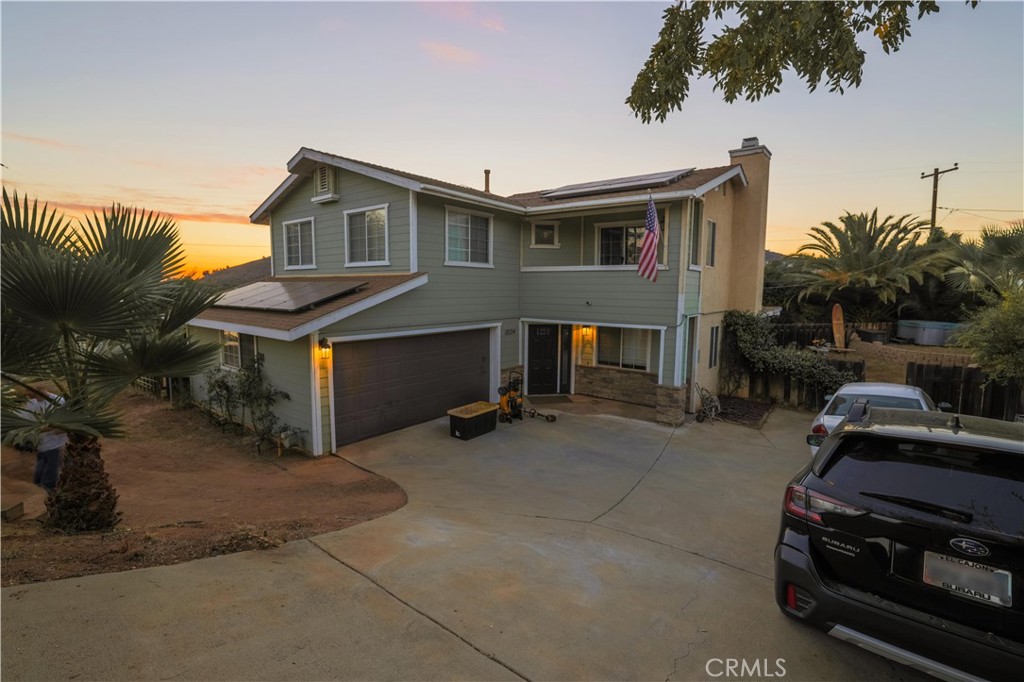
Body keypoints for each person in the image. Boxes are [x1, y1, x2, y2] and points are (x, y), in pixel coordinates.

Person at [20, 391, 68, 495]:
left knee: (49, 481)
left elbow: (66, 426)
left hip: (55, 446)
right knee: (38, 479)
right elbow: (25, 421)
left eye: (31, 391)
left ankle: (57, 499)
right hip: (42, 447)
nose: (29, 394)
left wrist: (44, 428)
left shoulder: (58, 401)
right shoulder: (31, 403)